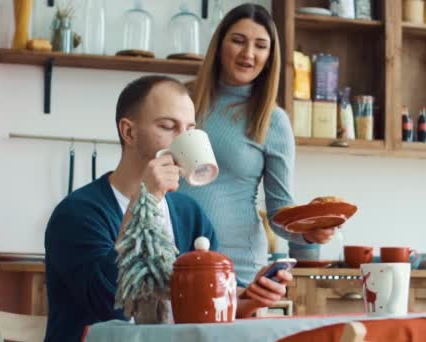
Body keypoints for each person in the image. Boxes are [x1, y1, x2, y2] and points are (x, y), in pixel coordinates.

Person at [44, 75, 292, 342]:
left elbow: (203, 307)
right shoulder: (77, 213)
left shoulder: (189, 213)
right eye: (168, 126)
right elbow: (109, 303)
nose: (182, 139)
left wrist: (250, 300)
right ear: (129, 132)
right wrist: (145, 201)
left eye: (190, 129)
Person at [180, 3, 335, 285]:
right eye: (238, 41)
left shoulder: (273, 120)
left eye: (261, 45)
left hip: (236, 265)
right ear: (219, 46)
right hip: (172, 257)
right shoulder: (182, 100)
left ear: (270, 55)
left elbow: (279, 210)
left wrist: (307, 234)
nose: (248, 54)